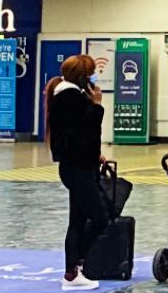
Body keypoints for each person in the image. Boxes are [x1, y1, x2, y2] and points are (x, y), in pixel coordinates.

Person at [46, 55, 106, 292]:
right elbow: (85, 129)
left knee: (78, 221)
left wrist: (95, 155)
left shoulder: (68, 95)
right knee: (100, 217)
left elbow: (77, 133)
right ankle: (74, 268)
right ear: (83, 78)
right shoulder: (70, 97)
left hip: (79, 165)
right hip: (77, 168)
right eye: (91, 74)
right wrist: (97, 105)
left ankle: (73, 272)